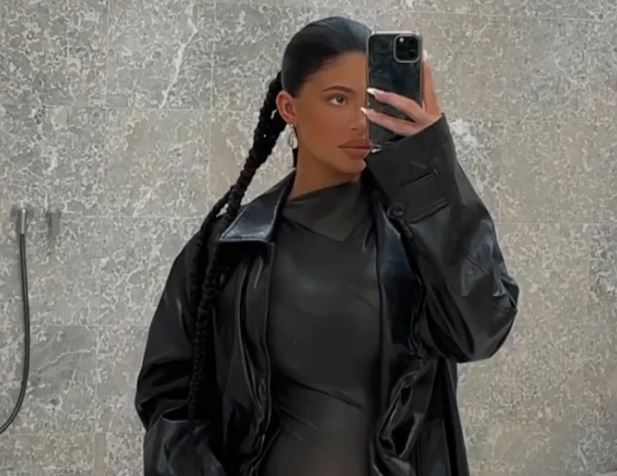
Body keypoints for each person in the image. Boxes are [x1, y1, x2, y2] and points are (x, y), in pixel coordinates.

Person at [134, 16, 519, 476]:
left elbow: (482, 329)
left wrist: (430, 166)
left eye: (373, 101)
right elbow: (168, 395)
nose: (360, 120)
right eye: (338, 99)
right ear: (289, 107)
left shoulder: (418, 233)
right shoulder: (227, 248)